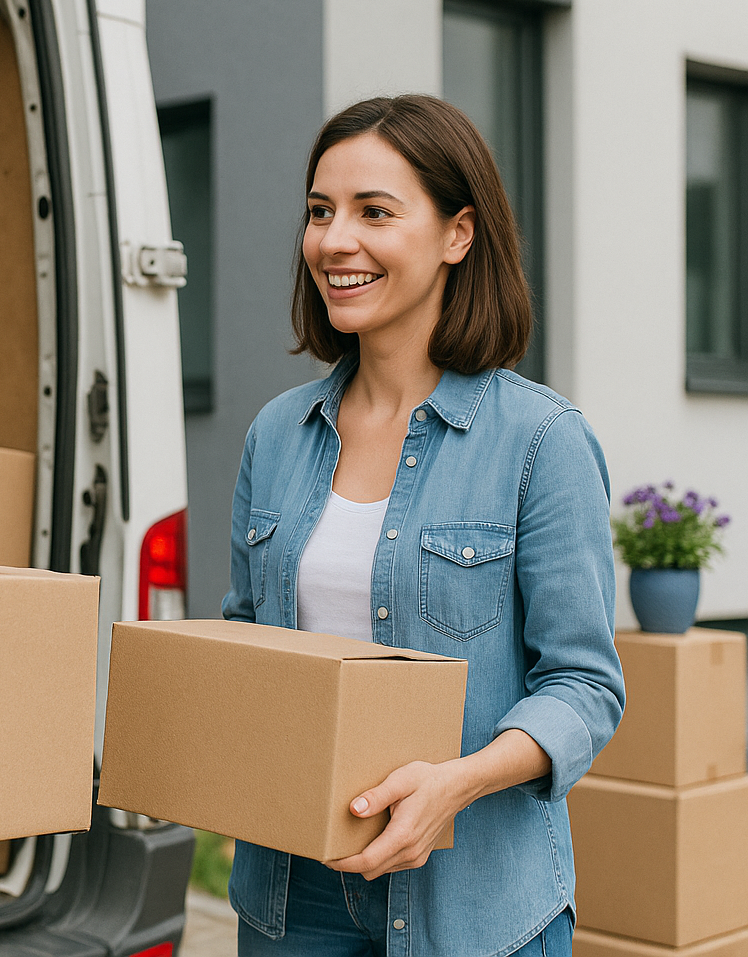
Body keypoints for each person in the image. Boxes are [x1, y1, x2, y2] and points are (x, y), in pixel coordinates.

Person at [221, 95, 625, 957]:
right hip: (293, 900)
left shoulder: (541, 442)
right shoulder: (275, 436)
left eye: (375, 212)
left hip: (473, 907)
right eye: (320, 212)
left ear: (457, 234)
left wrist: (456, 783)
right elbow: (247, 641)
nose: (336, 241)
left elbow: (586, 688)